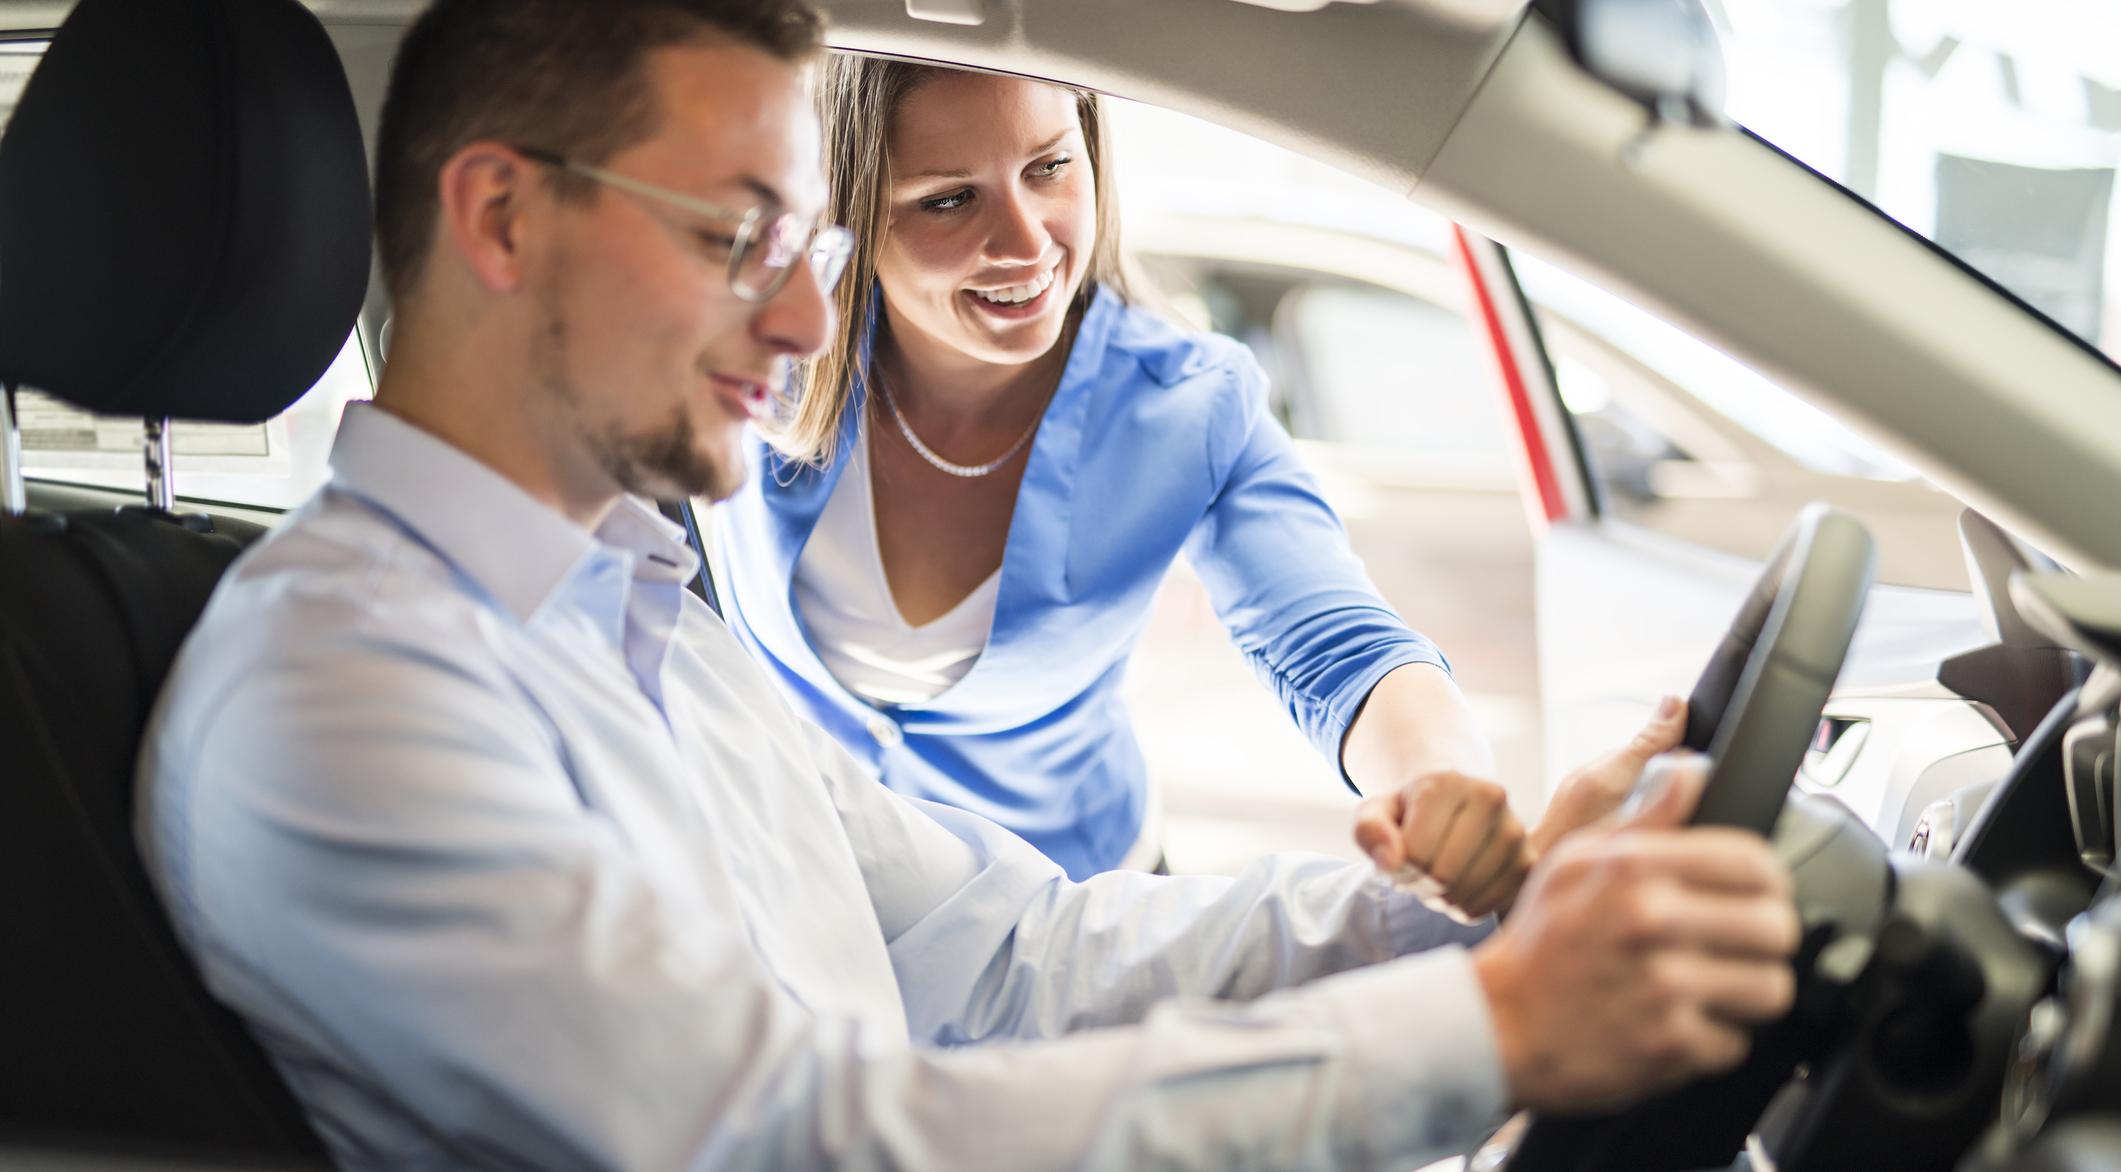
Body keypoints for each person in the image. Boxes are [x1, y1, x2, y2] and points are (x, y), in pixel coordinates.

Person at [135, 1, 1800, 1168]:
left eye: (802, 254)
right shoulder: (336, 692)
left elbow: (1013, 956)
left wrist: (1457, 915)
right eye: (735, 242)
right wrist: (1493, 1030)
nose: (798, 330)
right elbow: (790, 1136)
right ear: (501, 215)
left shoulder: (634, 619)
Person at [714, 57, 1534, 894]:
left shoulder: (1189, 403)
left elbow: (1340, 648)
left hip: (1071, 916)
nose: (1029, 242)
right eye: (949, 199)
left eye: (1049, 167)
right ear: (849, 211)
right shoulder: (763, 355)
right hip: (806, 890)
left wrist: (1440, 779)